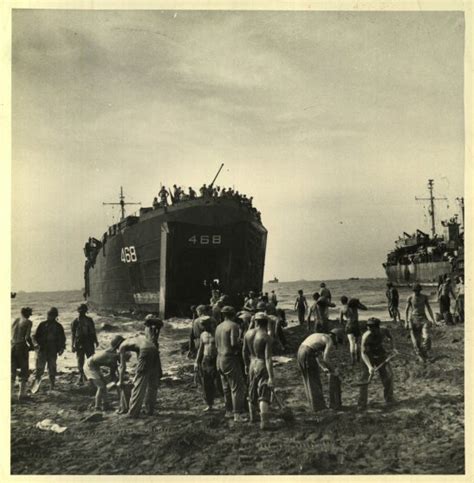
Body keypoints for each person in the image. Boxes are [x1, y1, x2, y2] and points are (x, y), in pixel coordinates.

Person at [297, 328, 344, 411]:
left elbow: (317, 355)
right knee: (314, 380)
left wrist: (323, 368)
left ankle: (314, 405)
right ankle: (318, 407)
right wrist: (334, 371)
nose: (335, 343)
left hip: (301, 352)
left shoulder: (321, 336)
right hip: (307, 353)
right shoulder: (329, 340)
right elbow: (326, 359)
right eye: (338, 340)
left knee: (309, 379)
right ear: (335, 336)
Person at [243, 312, 275, 429]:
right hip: (262, 364)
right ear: (266, 323)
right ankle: (264, 422)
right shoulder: (266, 337)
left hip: (252, 364)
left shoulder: (248, 334)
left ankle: (253, 417)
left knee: (252, 390)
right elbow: (268, 358)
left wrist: (246, 365)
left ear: (255, 321)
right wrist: (271, 376)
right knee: (263, 392)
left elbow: (244, 351)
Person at [215, 306, 247, 422]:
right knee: (237, 387)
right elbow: (233, 343)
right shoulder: (233, 326)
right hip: (229, 358)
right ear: (233, 315)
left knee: (226, 388)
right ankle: (237, 414)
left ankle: (228, 411)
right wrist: (242, 343)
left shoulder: (218, 327)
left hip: (219, 358)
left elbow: (217, 344)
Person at [118, 336, 162, 418]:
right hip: (154, 349)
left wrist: (120, 381)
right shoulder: (134, 339)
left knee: (139, 382)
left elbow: (122, 366)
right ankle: (149, 410)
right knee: (152, 382)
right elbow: (141, 357)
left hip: (146, 350)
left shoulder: (122, 346)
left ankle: (133, 413)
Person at [358, 318, 396, 409]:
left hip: (380, 353)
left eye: (372, 329)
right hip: (368, 356)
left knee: (388, 375)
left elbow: (391, 337)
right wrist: (370, 367)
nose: (370, 330)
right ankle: (362, 403)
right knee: (364, 379)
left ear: (377, 328)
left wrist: (393, 348)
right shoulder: (366, 336)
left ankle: (389, 399)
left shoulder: (383, 331)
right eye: (369, 328)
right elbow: (363, 353)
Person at [84, 335, 124, 411]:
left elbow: (114, 370)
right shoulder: (112, 355)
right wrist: (117, 379)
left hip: (95, 366)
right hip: (89, 366)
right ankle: (97, 407)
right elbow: (113, 371)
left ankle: (106, 405)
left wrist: (116, 378)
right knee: (101, 386)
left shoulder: (113, 352)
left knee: (104, 386)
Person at [32, 307, 66, 392]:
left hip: (52, 350)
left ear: (55, 316)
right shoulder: (42, 324)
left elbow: (62, 338)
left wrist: (62, 348)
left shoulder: (58, 326)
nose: (49, 317)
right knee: (39, 369)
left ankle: (52, 385)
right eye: (49, 315)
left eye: (51, 315)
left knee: (52, 368)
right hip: (42, 349)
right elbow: (34, 336)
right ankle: (37, 386)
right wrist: (36, 345)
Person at [405, 284, 436, 362]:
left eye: (418, 291)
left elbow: (429, 308)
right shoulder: (410, 298)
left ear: (420, 290)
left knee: (427, 336)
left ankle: (425, 352)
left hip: (423, 318)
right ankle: (420, 355)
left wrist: (433, 320)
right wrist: (406, 321)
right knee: (416, 341)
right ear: (413, 291)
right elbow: (406, 310)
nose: (417, 292)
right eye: (415, 291)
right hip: (413, 319)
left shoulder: (424, 297)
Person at [194, 317, 219, 412]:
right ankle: (209, 404)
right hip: (205, 359)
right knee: (206, 383)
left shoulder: (216, 333)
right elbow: (200, 349)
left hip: (215, 358)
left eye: (205, 325)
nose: (204, 327)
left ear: (211, 324)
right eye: (202, 325)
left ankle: (226, 402)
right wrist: (196, 361)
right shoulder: (203, 335)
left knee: (219, 382)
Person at [71, 304, 99, 384]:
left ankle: (91, 376)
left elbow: (93, 331)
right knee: (80, 360)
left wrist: (96, 341)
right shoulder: (75, 321)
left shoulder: (89, 320)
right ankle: (81, 375)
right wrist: (72, 345)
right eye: (80, 310)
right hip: (79, 342)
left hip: (89, 341)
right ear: (78, 311)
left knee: (91, 359)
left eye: (83, 310)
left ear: (86, 311)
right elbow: (73, 334)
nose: (81, 312)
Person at [11, 307, 35, 401]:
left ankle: (10, 395)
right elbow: (27, 337)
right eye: (29, 313)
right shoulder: (28, 322)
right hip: (21, 346)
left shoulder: (15, 320)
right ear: (27, 314)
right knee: (24, 371)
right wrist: (32, 346)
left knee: (12, 371)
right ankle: (22, 394)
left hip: (12, 346)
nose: (30, 315)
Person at [339, 296, 366, 365]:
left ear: (341, 301)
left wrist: (344, 325)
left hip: (348, 325)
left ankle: (352, 360)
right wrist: (359, 303)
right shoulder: (353, 306)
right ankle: (358, 359)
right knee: (357, 343)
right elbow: (365, 308)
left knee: (351, 343)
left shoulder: (342, 308)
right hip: (356, 325)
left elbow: (340, 320)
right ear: (347, 300)